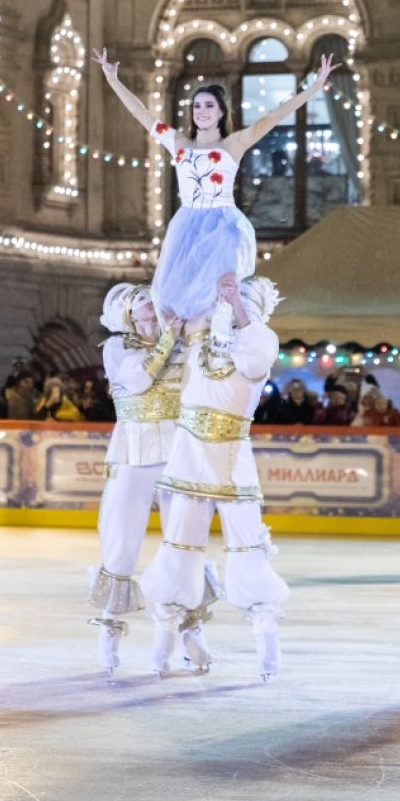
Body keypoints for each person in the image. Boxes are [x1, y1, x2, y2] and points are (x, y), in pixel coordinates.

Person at [96, 47, 337, 322]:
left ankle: (225, 338)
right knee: (178, 299)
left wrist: (315, 86)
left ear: (221, 112)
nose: (202, 111)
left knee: (218, 295)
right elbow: (142, 114)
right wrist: (113, 78)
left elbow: (274, 117)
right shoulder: (178, 143)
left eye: (209, 105)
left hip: (222, 226)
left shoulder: (232, 145)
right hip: (186, 228)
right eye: (197, 106)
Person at [140, 274, 290, 681]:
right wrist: (172, 326)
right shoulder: (199, 344)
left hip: (231, 460)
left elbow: (253, 360)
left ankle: (267, 652)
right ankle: (161, 650)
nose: (230, 303)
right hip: (189, 457)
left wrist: (237, 307)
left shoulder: (260, 341)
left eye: (243, 299)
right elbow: (156, 372)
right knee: (179, 547)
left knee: (247, 547)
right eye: (230, 298)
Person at [90, 283, 209, 675]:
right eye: (144, 305)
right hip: (133, 454)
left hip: (177, 454)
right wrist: (168, 343)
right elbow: (139, 382)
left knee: (184, 543)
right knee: (121, 543)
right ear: (128, 315)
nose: (152, 309)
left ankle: (191, 631)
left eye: (155, 303)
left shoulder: (182, 344)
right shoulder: (116, 349)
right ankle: (109, 630)